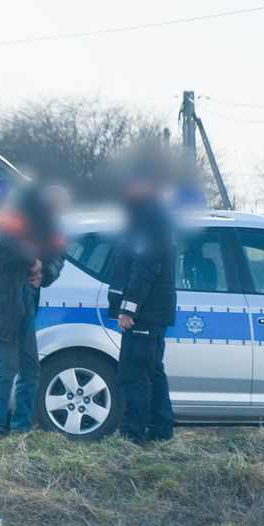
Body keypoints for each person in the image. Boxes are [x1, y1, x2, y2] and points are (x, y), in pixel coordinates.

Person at [0, 182, 64, 439]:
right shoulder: (14, 214)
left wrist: (43, 273)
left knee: (30, 369)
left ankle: (21, 428)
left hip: (26, 299)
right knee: (5, 366)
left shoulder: (52, 227)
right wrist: (32, 262)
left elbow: (58, 258)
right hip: (2, 302)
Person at [108, 165, 177, 444]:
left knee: (135, 374)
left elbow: (146, 266)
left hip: (145, 312)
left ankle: (132, 437)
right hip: (152, 311)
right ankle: (161, 431)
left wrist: (129, 307)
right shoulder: (147, 216)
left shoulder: (150, 218)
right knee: (152, 372)